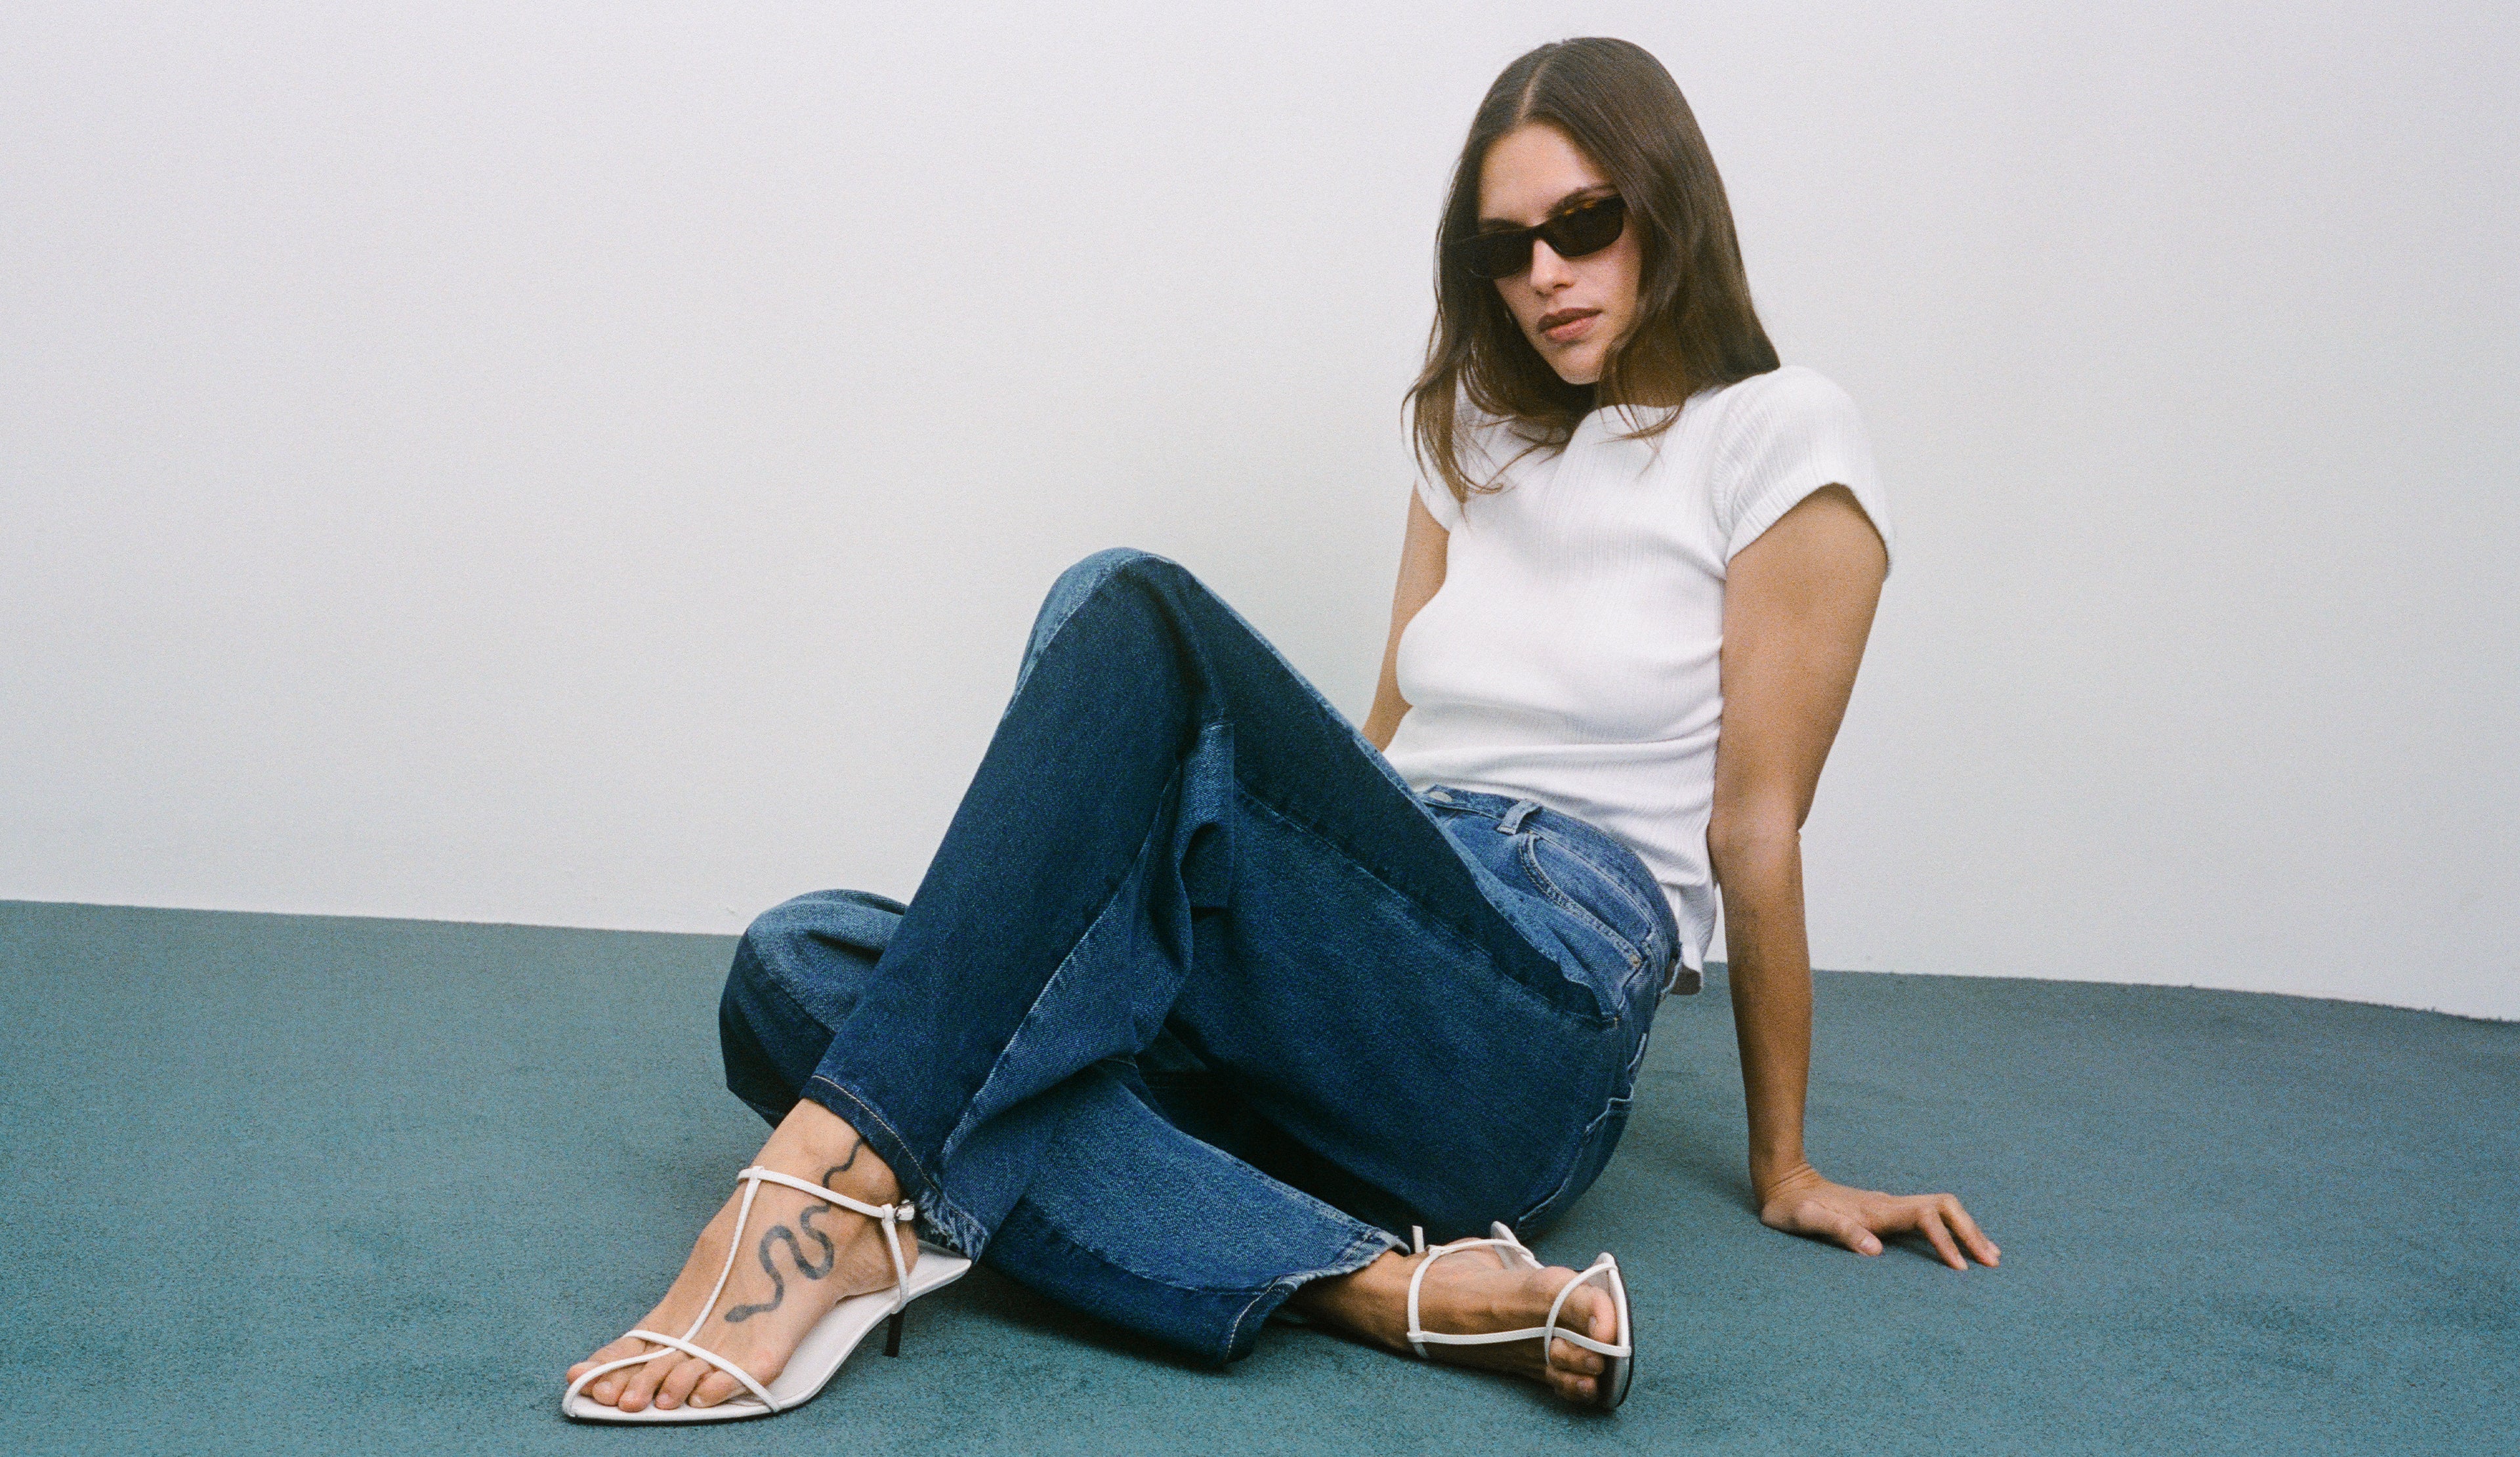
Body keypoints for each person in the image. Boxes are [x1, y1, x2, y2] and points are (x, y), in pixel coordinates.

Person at [563, 35, 1996, 1422]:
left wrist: (1787, 1166)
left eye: (1584, 225)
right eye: (1505, 250)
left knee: (1123, 610)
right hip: (1372, 943)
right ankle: (1369, 1285)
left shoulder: (1780, 431)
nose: (1544, 275)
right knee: (794, 963)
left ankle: (809, 1195)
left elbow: (1756, 826)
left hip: (1536, 1005)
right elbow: (1382, 748)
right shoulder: (1475, 440)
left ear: (1666, 207)